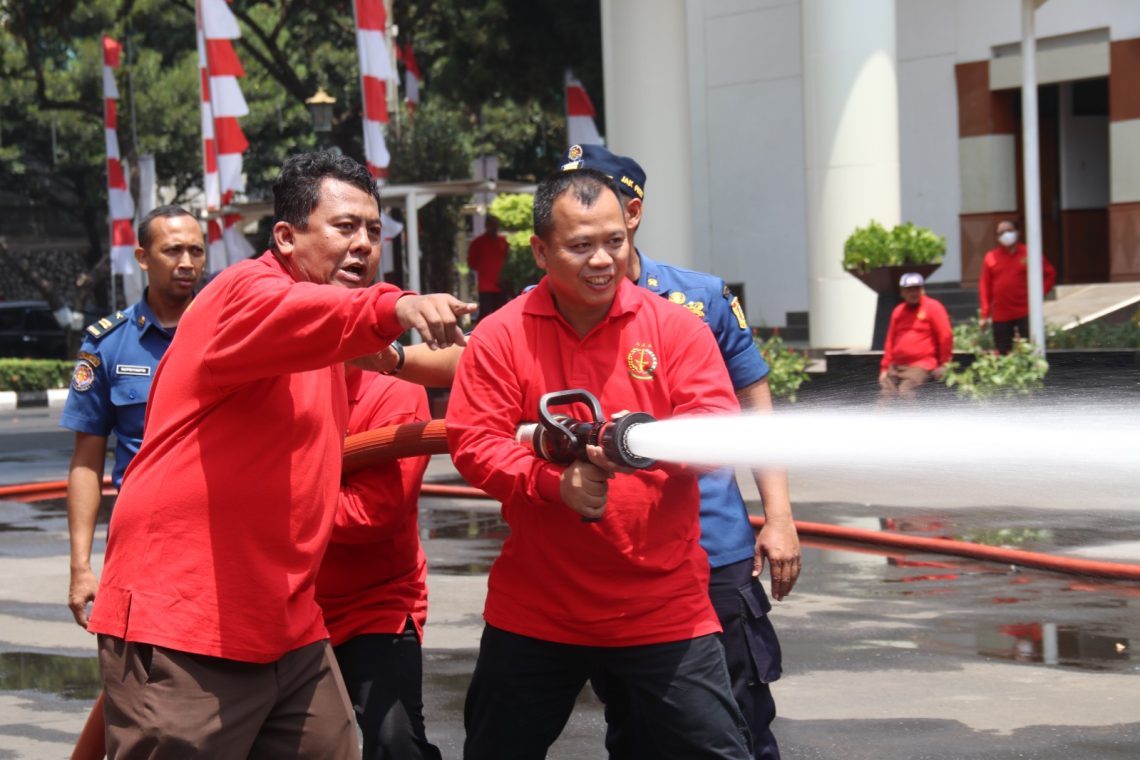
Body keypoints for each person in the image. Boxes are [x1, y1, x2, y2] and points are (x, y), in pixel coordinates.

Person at [85, 151, 474, 759]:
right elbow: (310, 313)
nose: (363, 245)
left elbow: (437, 361)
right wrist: (393, 306)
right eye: (344, 227)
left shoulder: (324, 333)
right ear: (286, 238)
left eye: (373, 230)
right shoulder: (246, 294)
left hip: (287, 622)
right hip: (188, 618)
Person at [446, 168, 752, 760]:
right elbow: (473, 442)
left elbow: (718, 429)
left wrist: (652, 443)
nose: (603, 260)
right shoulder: (501, 335)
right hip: (538, 609)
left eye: (615, 241)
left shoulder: (675, 329)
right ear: (540, 250)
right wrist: (550, 482)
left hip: (663, 608)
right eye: (580, 245)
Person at [560, 144, 797, 760]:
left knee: (736, 722)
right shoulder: (556, 303)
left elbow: (754, 408)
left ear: (630, 211)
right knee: (636, 728)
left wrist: (779, 517)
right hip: (614, 556)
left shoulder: (701, 299)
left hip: (711, 547)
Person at [315, 248, 444, 760]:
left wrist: (277, 502)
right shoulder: (275, 385)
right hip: (289, 603)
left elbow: (373, 514)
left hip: (375, 603)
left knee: (395, 743)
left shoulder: (394, 395)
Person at [60, 205, 205, 629]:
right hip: (141, 541)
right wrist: (80, 566)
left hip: (219, 537)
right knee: (136, 671)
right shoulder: (107, 344)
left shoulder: (229, 331)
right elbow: (87, 461)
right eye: (172, 250)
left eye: (196, 251)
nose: (187, 263)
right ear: (143, 258)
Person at [978, 219, 1056, 354]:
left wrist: (1039, 294)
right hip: (1001, 314)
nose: (1005, 235)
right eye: (1001, 233)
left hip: (1025, 311)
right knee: (1002, 353)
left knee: (1030, 351)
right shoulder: (991, 257)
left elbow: (1050, 273)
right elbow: (985, 287)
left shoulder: (1029, 253)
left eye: (1009, 231)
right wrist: (985, 315)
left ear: (1017, 233)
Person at [878, 272, 953, 403]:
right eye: (909, 289)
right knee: (886, 393)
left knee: (905, 391)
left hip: (921, 365)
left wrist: (945, 363)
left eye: (916, 288)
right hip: (897, 366)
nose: (913, 293)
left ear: (922, 290)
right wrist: (884, 368)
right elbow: (890, 341)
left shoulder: (933, 307)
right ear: (902, 292)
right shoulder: (898, 311)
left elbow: (945, 335)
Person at [466, 215, 510, 320]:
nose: (494, 227)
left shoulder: (503, 241)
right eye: (491, 225)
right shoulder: (478, 242)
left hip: (501, 285)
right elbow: (471, 262)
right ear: (486, 225)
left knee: (502, 314)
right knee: (484, 314)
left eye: (496, 225)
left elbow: (508, 261)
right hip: (486, 286)